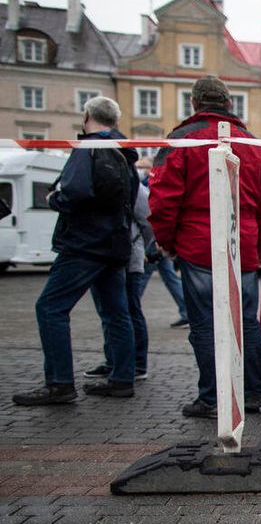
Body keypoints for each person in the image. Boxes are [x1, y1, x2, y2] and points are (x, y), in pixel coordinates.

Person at [147, 75, 261, 419]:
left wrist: (166, 241)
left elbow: (163, 198)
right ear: (229, 103)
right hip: (244, 240)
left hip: (198, 242)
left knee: (206, 323)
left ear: (194, 103)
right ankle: (251, 392)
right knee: (246, 321)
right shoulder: (253, 142)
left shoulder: (182, 140)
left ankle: (211, 396)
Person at [13, 96, 139, 405]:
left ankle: (59, 382)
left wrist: (55, 197)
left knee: (50, 307)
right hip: (115, 241)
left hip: (84, 242)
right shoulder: (125, 152)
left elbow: (75, 191)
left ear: (87, 117)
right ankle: (122, 377)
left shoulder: (88, 149)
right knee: (116, 312)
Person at [84, 175, 156, 383]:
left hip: (129, 257)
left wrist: (140, 245)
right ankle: (114, 361)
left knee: (129, 310)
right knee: (110, 312)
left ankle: (137, 364)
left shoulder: (131, 181)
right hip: (105, 255)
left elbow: (148, 219)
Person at [137, 156, 189, 328]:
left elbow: (156, 209)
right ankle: (186, 311)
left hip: (154, 237)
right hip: (158, 237)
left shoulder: (150, 183)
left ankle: (130, 309)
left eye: (142, 166)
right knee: (169, 276)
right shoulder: (147, 182)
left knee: (143, 275)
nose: (139, 168)